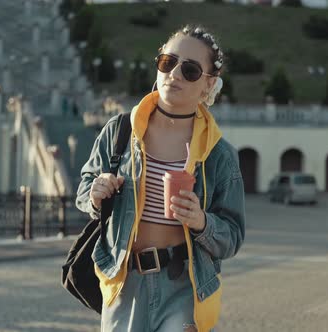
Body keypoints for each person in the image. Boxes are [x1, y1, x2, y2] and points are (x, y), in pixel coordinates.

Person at [76, 25, 245, 332]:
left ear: (208, 84)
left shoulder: (219, 155)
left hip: (184, 286)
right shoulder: (120, 131)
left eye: (190, 70)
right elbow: (85, 187)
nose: (175, 74)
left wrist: (202, 222)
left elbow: (233, 236)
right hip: (124, 281)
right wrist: (95, 193)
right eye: (168, 62)